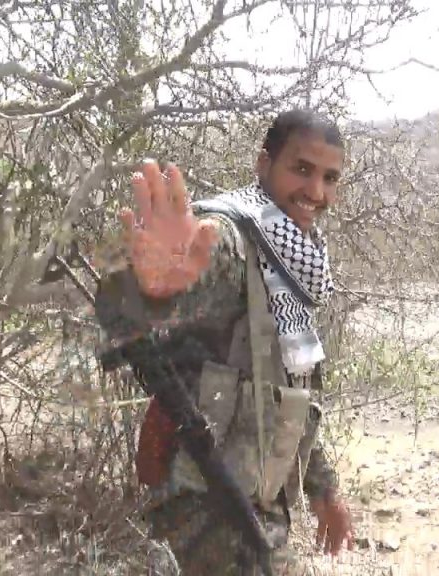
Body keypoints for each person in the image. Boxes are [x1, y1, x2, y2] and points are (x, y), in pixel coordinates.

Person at [94, 109, 354, 575]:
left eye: (329, 177)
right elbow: (196, 266)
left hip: (257, 509)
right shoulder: (234, 235)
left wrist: (323, 488)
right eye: (301, 169)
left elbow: (285, 396)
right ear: (264, 164)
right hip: (204, 510)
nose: (316, 191)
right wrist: (156, 288)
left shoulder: (296, 259)